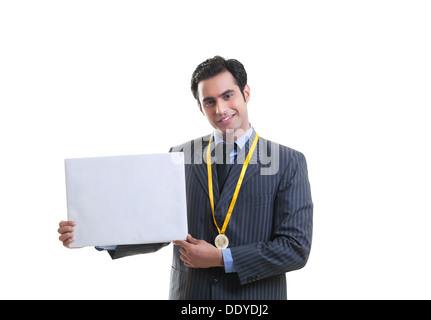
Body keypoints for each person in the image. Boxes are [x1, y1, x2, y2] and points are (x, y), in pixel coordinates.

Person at [58, 56, 313, 299]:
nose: (221, 109)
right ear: (200, 107)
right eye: (210, 101)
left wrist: (221, 258)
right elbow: (158, 229)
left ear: (246, 93)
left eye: (228, 95)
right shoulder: (179, 155)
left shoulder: (288, 161)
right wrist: (94, 235)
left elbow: (294, 249)